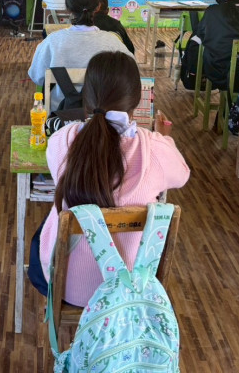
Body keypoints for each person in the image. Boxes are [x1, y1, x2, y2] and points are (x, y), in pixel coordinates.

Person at [27, 51, 190, 306]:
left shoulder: (62, 140)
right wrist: (163, 138)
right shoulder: (154, 149)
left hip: (66, 286)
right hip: (129, 290)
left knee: (46, 228)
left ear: (86, 96)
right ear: (136, 100)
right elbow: (182, 175)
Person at [28, 0, 134, 112]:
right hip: (102, 118)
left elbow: (37, 77)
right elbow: (132, 74)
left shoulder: (51, 42)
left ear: (68, 8)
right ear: (98, 7)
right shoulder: (113, 42)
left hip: (59, 118)